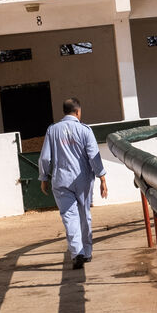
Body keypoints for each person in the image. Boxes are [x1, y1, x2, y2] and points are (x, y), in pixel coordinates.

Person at [39, 97, 107, 269]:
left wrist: (44, 177)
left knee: (69, 216)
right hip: (82, 179)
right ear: (77, 111)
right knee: (84, 214)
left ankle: (77, 253)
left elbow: (45, 158)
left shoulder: (52, 130)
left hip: (61, 179)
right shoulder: (85, 130)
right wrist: (102, 177)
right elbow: (94, 156)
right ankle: (87, 252)